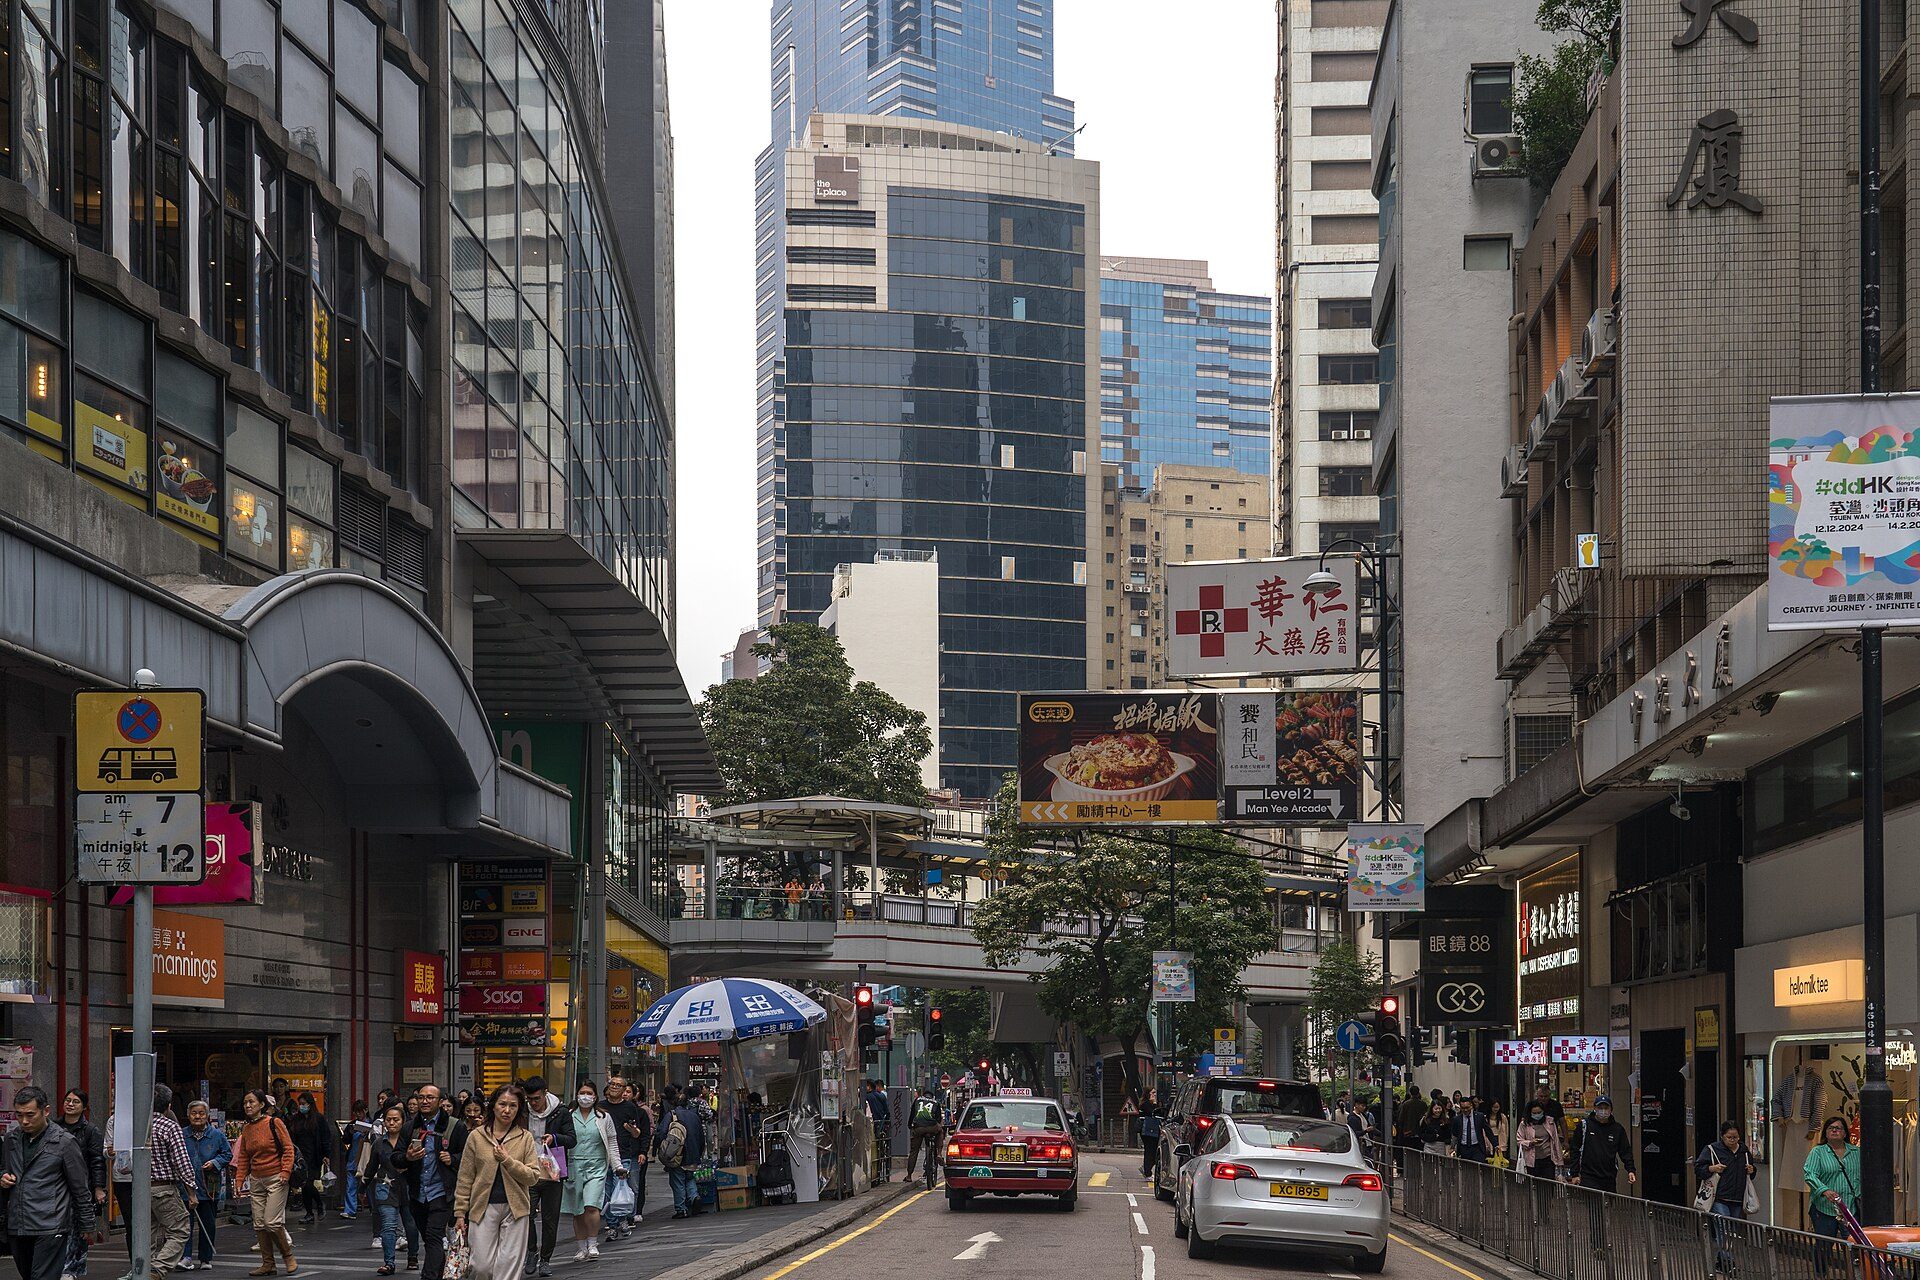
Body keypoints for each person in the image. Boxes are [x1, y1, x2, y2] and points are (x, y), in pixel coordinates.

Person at [3, 1087, 100, 1280]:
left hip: (51, 1224)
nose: (24, 1121)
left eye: (30, 1115)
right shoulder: (11, 1139)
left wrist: (87, 1225)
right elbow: (4, 1168)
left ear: (45, 1111)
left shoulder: (64, 1142)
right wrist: (3, 1177)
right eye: (19, 1115)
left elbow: (80, 1187)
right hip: (18, 1223)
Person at [453, 1086, 545, 1280]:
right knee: (480, 1266)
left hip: (516, 1209)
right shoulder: (476, 1137)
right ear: (493, 1106)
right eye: (502, 1104)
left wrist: (507, 1160)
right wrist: (460, 1212)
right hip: (482, 1207)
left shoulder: (525, 1137)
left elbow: (533, 1176)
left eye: (513, 1106)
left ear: (519, 1110)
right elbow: (465, 1177)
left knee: (508, 1268)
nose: (507, 1110)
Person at [396, 1084, 466, 1280]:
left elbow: (468, 1157)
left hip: (442, 1192)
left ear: (440, 1101)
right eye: (421, 1098)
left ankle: (428, 1277)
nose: (424, 1101)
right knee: (429, 1240)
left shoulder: (454, 1126)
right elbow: (396, 1157)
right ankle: (441, 1272)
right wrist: (408, 1158)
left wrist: (452, 1159)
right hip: (417, 1193)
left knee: (434, 1236)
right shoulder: (410, 1127)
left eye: (430, 1098)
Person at [233, 1088, 299, 1277]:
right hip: (256, 1180)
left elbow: (288, 1149)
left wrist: (285, 1171)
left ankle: (288, 1256)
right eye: (245, 1102)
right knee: (259, 1224)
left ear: (262, 1105)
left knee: (272, 1222)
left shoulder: (274, 1123)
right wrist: (239, 1180)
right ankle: (268, 1264)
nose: (248, 1105)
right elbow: (244, 1156)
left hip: (276, 1178)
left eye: (252, 1102)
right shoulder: (246, 1128)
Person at [519, 1079, 575, 1279]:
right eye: (530, 1099)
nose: (533, 1103)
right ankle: (531, 1251)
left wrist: (554, 1138)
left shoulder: (560, 1112)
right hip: (528, 1170)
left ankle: (546, 1259)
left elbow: (572, 1139)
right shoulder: (522, 1111)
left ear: (545, 1093)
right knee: (525, 1215)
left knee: (551, 1219)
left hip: (552, 1172)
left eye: (537, 1099)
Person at [145, 1085, 201, 1280]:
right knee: (180, 1229)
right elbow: (182, 1162)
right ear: (169, 1106)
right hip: (164, 1187)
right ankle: (157, 1269)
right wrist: (192, 1192)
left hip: (140, 1188)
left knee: (148, 1234)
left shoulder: (137, 1124)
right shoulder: (169, 1126)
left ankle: (145, 1268)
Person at [557, 1082, 617, 1261]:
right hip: (573, 1166)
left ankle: (592, 1243)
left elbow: (612, 1142)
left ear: (595, 1096)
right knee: (578, 1210)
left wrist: (617, 1166)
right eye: (582, 1092)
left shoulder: (603, 1117)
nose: (585, 1096)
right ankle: (581, 1247)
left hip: (596, 1166)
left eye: (589, 1093)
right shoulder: (567, 1116)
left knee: (592, 1205)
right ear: (576, 1095)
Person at [55, 1090, 107, 1279]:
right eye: (67, 1100)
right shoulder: (53, 1126)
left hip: (81, 1184)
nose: (70, 1104)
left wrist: (99, 1188)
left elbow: (97, 1161)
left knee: (80, 1228)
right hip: (58, 1183)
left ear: (84, 1107)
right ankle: (59, 1266)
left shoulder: (90, 1130)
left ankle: (73, 1269)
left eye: (75, 1102)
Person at [1697, 1120, 1757, 1272]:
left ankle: (1720, 1261)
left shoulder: (1744, 1151)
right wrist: (1712, 1168)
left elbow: (1751, 1172)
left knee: (1731, 1232)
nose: (1732, 1140)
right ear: (1722, 1137)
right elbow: (1699, 1169)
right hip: (1719, 1198)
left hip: (1737, 1198)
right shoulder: (1712, 1150)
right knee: (1724, 1230)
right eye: (1729, 1137)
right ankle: (1728, 1264)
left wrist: (1752, 1170)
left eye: (1735, 1137)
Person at [182, 1099, 233, 1272]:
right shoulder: (182, 1134)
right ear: (188, 1115)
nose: (197, 1116)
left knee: (208, 1224)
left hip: (209, 1187)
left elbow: (227, 1154)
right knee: (184, 1225)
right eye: (194, 1113)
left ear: (207, 1116)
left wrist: (215, 1162)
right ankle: (186, 1257)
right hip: (185, 1188)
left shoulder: (216, 1135)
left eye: (201, 1113)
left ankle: (205, 1258)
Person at [1804, 1115, 1860, 1271]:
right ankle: (1821, 1275)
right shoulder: (1818, 1152)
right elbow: (1810, 1174)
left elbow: (1863, 1176)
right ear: (1826, 1132)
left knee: (1854, 1246)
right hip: (1824, 1209)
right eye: (1831, 1128)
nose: (1835, 1130)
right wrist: (1824, 1190)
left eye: (1839, 1128)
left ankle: (1856, 1274)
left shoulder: (1856, 1152)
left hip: (1849, 1208)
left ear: (1845, 1133)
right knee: (1823, 1247)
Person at [365, 1103, 412, 1276]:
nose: (392, 1123)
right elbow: (371, 1166)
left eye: (396, 1120)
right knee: (388, 1225)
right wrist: (363, 1187)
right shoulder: (379, 1143)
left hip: (407, 1187)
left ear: (403, 1121)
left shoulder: (409, 1142)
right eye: (388, 1120)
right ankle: (389, 1262)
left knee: (410, 1226)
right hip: (385, 1188)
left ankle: (413, 1257)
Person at [600, 1077, 649, 1239]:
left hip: (624, 1155)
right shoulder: (600, 1107)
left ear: (624, 1090)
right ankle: (614, 1225)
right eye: (612, 1084)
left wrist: (630, 1129)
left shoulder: (629, 1108)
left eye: (618, 1085)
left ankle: (621, 1219)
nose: (614, 1087)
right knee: (607, 1193)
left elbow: (638, 1133)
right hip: (603, 1156)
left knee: (618, 1189)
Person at [653, 1086, 707, 1221]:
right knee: (689, 1178)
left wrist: (658, 1147)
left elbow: (660, 1133)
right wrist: (699, 1154)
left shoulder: (671, 1115)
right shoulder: (694, 1116)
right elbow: (701, 1137)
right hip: (694, 1154)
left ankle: (681, 1208)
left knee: (677, 1181)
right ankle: (695, 1197)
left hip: (678, 1154)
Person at [1570, 1096, 1636, 1193]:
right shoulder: (1584, 1126)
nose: (1603, 1111)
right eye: (1600, 1108)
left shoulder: (1617, 1129)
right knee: (1594, 1206)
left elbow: (1625, 1151)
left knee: (1607, 1206)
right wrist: (1574, 1173)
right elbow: (1575, 1149)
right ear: (1595, 1109)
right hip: (1589, 1176)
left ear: (1611, 1110)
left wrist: (1630, 1170)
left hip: (1609, 1177)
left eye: (1606, 1108)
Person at [286, 1094, 332, 1226]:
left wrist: (326, 1154)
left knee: (308, 1184)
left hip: (314, 1156)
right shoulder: (296, 1120)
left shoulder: (319, 1119)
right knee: (304, 1185)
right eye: (300, 1103)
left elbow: (325, 1137)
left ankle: (317, 1205)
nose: (302, 1106)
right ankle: (310, 1212)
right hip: (300, 1157)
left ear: (310, 1104)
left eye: (304, 1103)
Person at [1516, 1098, 1566, 1180]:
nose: (1537, 1115)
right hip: (1532, 1160)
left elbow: (1555, 1141)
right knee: (1534, 1184)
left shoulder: (1550, 1122)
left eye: (1539, 1112)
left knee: (1548, 1184)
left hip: (1548, 1158)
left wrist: (1559, 1160)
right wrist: (1530, 1142)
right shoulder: (1524, 1124)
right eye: (1534, 1113)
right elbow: (1519, 1140)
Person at [340, 1101, 373, 1222]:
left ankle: (373, 1209)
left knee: (369, 1185)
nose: (358, 1114)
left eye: (360, 1111)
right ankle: (350, 1210)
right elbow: (345, 1140)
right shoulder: (352, 1125)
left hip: (367, 1159)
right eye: (356, 1112)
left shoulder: (373, 1124)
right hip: (353, 1159)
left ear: (366, 1110)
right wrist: (350, 1132)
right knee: (351, 1185)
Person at [905, 1084, 943, 1187]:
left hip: (918, 1128)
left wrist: (910, 1126)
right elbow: (938, 1118)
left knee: (914, 1151)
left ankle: (909, 1175)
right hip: (931, 1126)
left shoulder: (917, 1101)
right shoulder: (936, 1103)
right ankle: (939, 1153)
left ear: (923, 1095)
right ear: (932, 1096)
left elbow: (912, 1115)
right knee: (940, 1131)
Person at [863, 1082, 891, 1180]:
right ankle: (880, 1173)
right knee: (880, 1149)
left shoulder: (867, 1097)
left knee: (873, 1150)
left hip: (872, 1125)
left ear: (869, 1086)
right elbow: (887, 1111)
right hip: (881, 1124)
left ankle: (874, 1174)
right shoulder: (881, 1096)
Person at [1451, 1096, 1490, 1163]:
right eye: (1463, 1108)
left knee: (1478, 1168)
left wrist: (1495, 1144)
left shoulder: (1479, 1116)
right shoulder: (1457, 1119)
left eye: (1467, 1107)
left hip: (1477, 1147)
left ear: (1471, 1106)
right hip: (1464, 1148)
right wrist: (1452, 1147)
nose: (1465, 1110)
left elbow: (1488, 1131)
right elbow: (1454, 1134)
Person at [1138, 1096, 1164, 1181]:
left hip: (1154, 1130)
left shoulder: (1152, 1104)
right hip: (1148, 1131)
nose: (1154, 1095)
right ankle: (1147, 1172)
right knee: (1149, 1151)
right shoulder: (1145, 1104)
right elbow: (1153, 1113)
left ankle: (1146, 1167)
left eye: (1155, 1093)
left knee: (1155, 1151)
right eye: (1152, 1093)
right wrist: (1155, 1104)